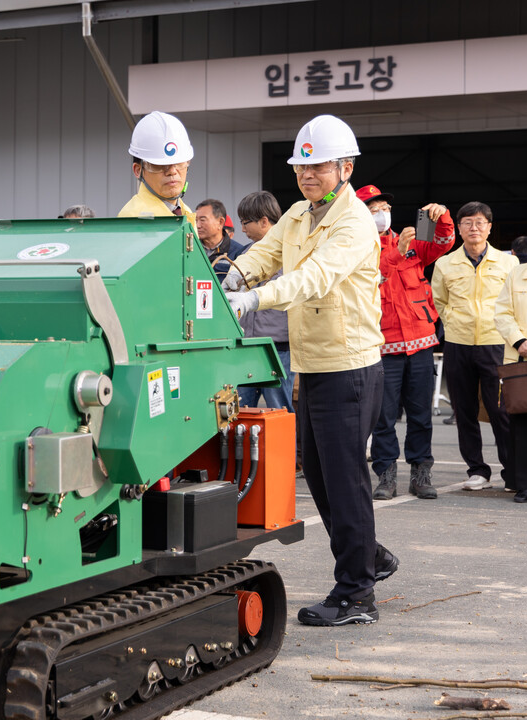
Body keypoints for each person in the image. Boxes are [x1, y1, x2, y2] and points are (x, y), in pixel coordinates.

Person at [223, 114, 397, 627]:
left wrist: (254, 298)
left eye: (318, 167)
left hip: (349, 366)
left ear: (345, 168)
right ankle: (370, 556)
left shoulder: (353, 222)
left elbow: (314, 278)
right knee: (321, 478)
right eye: (302, 167)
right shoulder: (299, 213)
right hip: (314, 364)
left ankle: (357, 594)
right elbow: (266, 251)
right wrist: (234, 275)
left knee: (344, 480)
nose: (307, 175)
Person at [358, 185, 455, 501]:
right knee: (383, 418)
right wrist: (398, 250)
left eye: (385, 208)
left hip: (420, 344)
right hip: (382, 348)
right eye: (374, 209)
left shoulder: (412, 243)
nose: (382, 214)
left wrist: (442, 218)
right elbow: (377, 273)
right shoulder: (357, 247)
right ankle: (386, 476)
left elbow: (443, 243)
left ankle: (421, 473)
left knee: (421, 415)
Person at [433, 202, 520, 491]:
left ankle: (512, 471)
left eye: (480, 222)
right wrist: (454, 321)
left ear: (489, 228)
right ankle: (477, 470)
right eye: (468, 222)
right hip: (458, 344)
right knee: (464, 409)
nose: (474, 228)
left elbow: (516, 302)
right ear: (459, 228)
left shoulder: (508, 263)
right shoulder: (445, 264)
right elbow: (439, 301)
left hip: (496, 344)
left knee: (501, 410)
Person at [235, 191, 294, 413]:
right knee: (241, 410)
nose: (242, 229)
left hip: (278, 348)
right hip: (247, 346)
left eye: (245, 222)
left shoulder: (291, 253)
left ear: (264, 221)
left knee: (279, 409)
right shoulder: (246, 253)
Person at [495, 235, 527, 503]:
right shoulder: (517, 274)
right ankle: (524, 484)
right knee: (522, 425)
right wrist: (519, 341)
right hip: (522, 359)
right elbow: (502, 312)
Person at [117, 111, 195, 224]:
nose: (172, 171)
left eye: (179, 163)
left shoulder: (184, 210)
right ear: (138, 170)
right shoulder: (132, 218)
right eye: (159, 166)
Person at [195, 199, 247, 280]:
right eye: (196, 220)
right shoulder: (190, 249)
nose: (198, 225)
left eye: (202, 220)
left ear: (220, 222)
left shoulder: (238, 252)